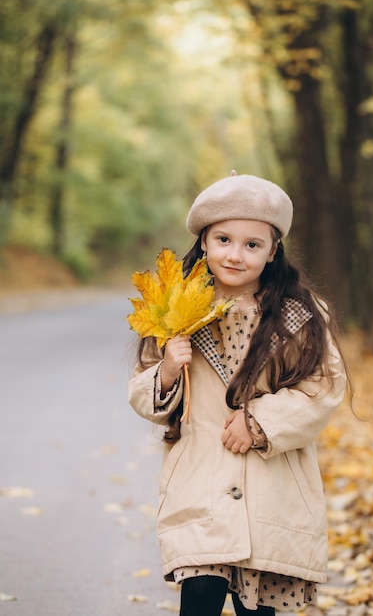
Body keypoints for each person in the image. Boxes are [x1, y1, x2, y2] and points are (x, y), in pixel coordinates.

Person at [128, 172, 347, 615]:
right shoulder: (175, 310)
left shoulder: (301, 314)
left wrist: (260, 421)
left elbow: (324, 387)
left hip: (275, 489)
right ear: (205, 243)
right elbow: (143, 390)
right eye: (224, 239)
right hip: (200, 484)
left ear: (272, 252)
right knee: (200, 601)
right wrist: (168, 369)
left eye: (252, 244)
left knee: (258, 609)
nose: (235, 254)